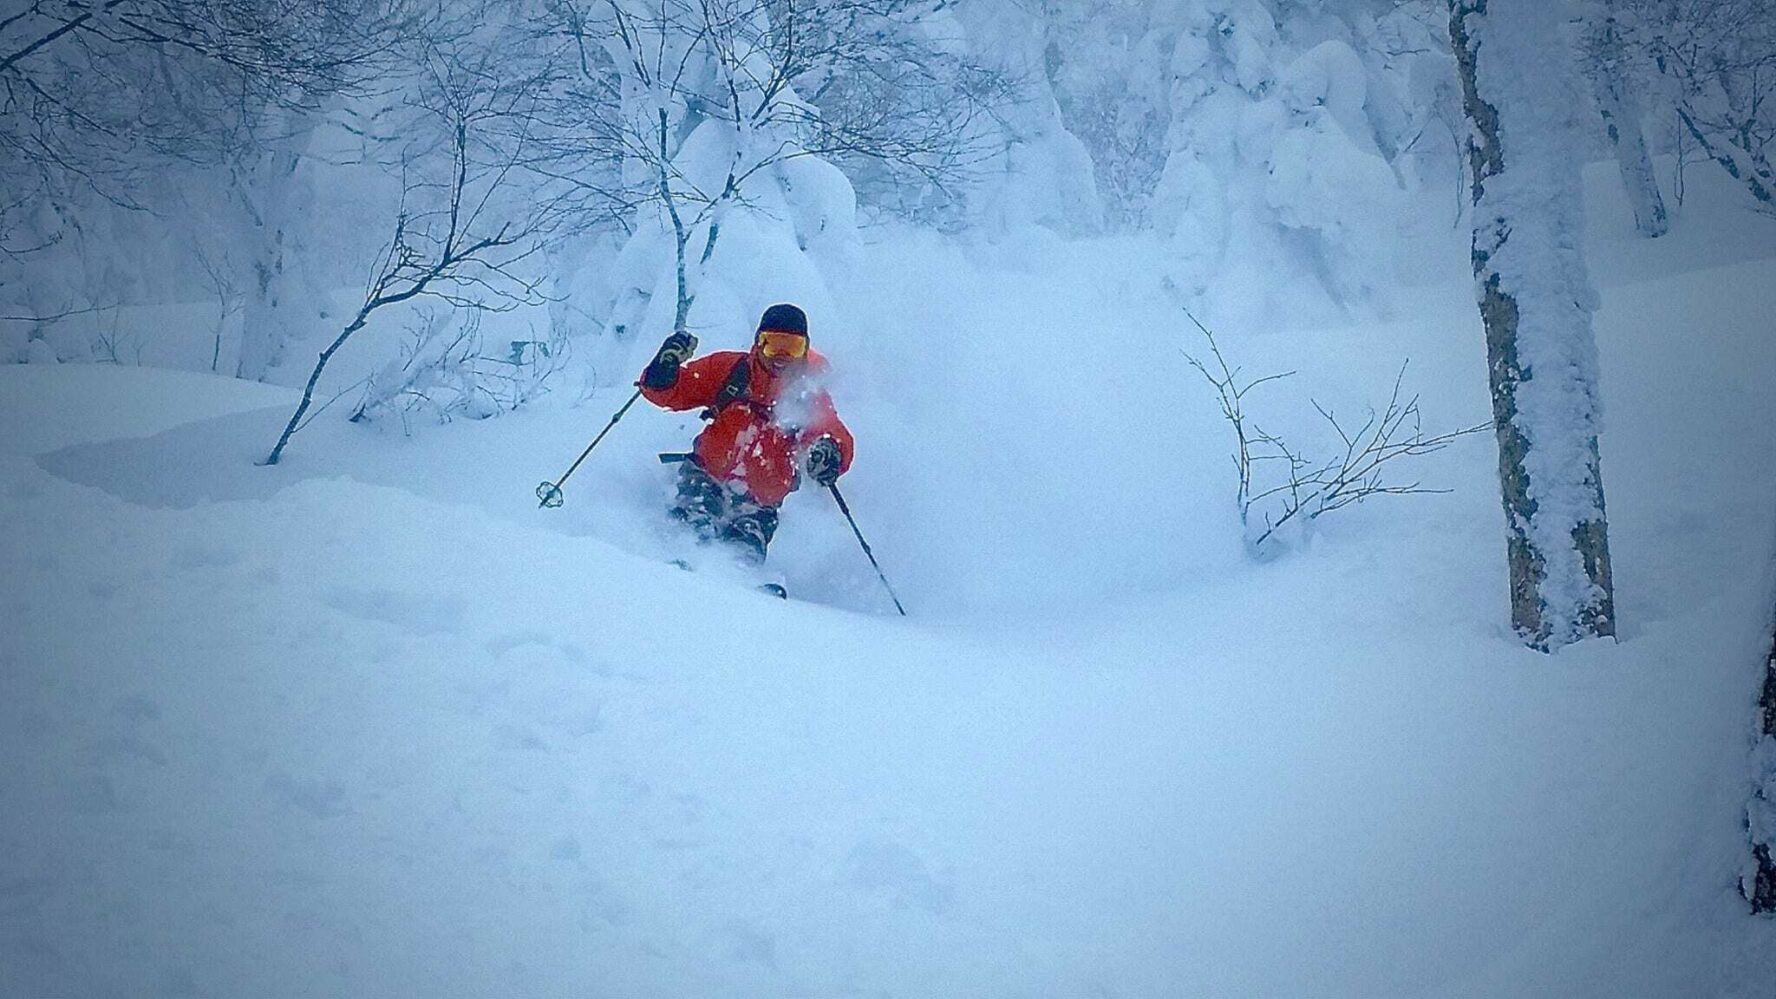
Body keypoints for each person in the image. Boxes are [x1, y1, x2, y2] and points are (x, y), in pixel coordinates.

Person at [638, 303, 854, 564]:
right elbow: (672, 391)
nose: (781, 356)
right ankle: (670, 570)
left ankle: (741, 590)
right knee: (694, 523)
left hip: (760, 503)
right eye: (773, 344)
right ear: (758, 343)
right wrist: (663, 371)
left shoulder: (807, 396)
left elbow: (833, 434)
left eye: (792, 347)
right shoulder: (731, 371)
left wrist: (830, 453)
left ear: (805, 350)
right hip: (706, 476)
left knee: (744, 550)